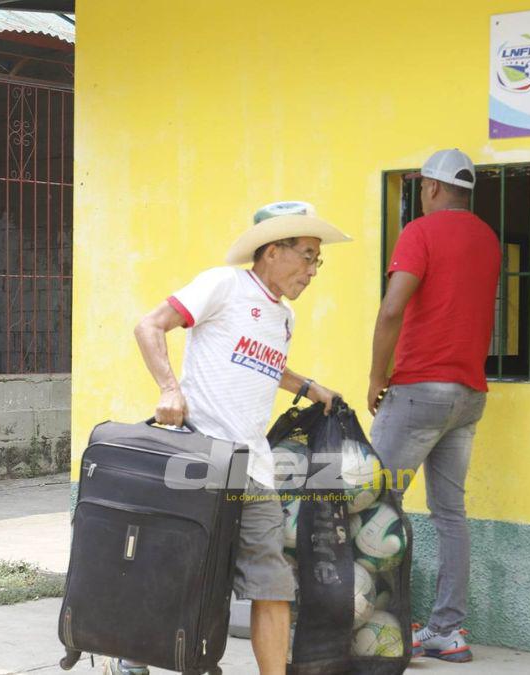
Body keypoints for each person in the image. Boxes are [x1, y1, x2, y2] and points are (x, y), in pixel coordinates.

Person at [109, 201, 350, 675]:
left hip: (254, 467)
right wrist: (169, 389)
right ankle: (132, 659)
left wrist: (308, 387)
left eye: (317, 261)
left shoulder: (284, 318)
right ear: (272, 251)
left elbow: (261, 362)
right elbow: (149, 325)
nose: (312, 271)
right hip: (202, 455)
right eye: (307, 256)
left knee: (272, 583)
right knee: (183, 569)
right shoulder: (223, 284)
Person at [366, 149, 501, 664]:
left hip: (419, 389)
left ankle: (375, 626)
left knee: (373, 505)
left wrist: (377, 375)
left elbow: (392, 309)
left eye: (421, 186)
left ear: (432, 187)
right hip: (468, 395)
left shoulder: (419, 233)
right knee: (451, 515)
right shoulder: (487, 239)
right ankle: (447, 630)